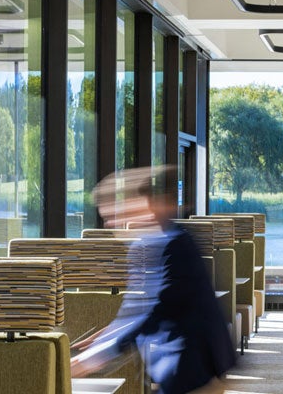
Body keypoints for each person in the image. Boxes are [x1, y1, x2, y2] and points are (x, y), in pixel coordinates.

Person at [70, 166, 236, 394]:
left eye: (113, 214)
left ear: (139, 205)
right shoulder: (146, 245)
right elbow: (137, 309)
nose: (109, 223)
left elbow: (155, 311)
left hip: (194, 369)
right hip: (176, 369)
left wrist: (94, 358)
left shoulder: (174, 246)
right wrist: (105, 337)